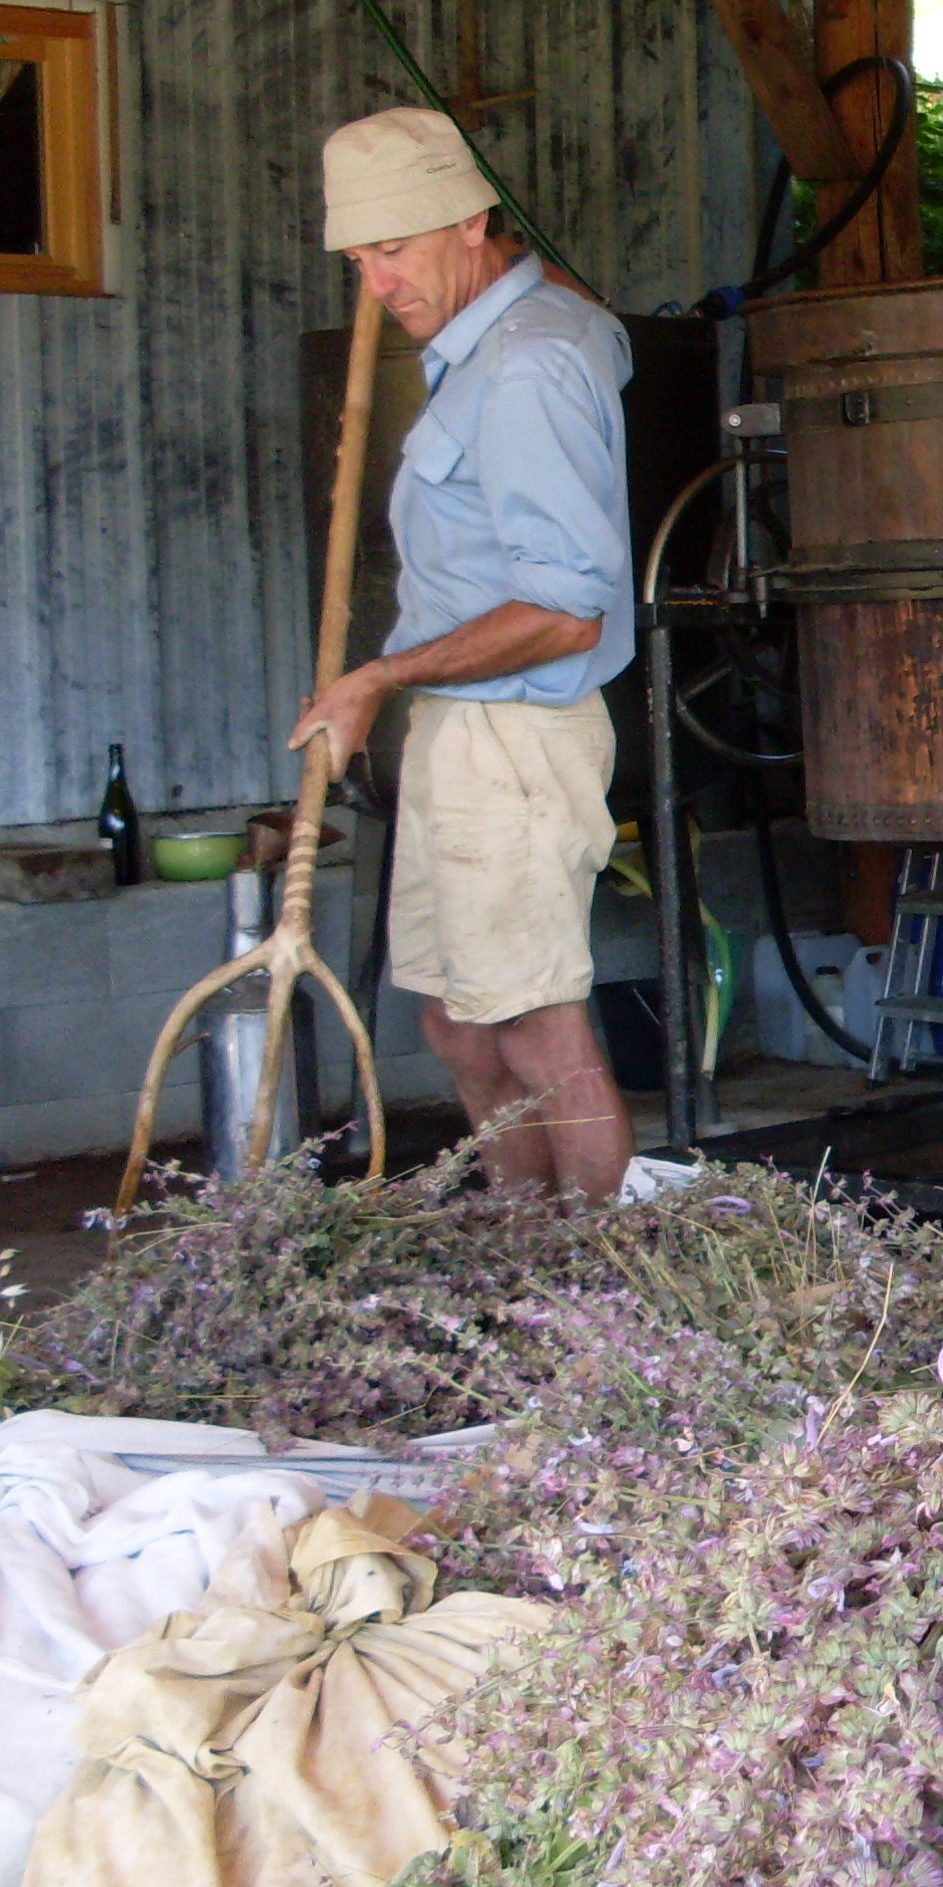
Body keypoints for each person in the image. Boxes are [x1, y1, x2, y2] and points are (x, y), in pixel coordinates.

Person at [289, 107, 636, 1205]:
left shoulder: (528, 366)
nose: (377, 283)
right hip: (464, 729)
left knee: (533, 1020)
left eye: (394, 250)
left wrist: (377, 676)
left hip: (515, 736)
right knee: (455, 1016)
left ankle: (608, 1287)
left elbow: (569, 608)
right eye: (359, 258)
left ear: (473, 219)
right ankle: (527, 1245)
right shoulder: (496, 343)